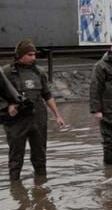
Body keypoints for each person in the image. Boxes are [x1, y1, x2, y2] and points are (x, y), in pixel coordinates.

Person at [2, 39, 65, 181]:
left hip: (38, 119)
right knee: (16, 156)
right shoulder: (6, 72)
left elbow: (47, 95)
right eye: (30, 55)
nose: (33, 58)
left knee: (40, 154)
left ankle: (41, 184)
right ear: (20, 55)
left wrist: (57, 115)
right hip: (17, 121)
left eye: (34, 54)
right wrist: (8, 106)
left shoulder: (39, 72)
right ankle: (15, 186)